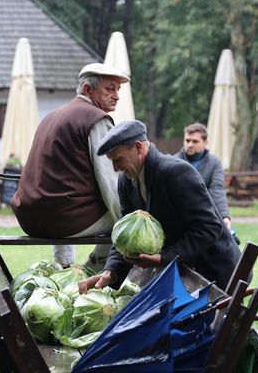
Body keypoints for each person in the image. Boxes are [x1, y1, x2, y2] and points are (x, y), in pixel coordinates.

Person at [79, 120, 242, 293]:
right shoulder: (125, 181)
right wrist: (111, 272)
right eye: (112, 161)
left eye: (118, 159)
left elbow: (210, 228)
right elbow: (125, 235)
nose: (115, 168)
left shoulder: (176, 172)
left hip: (215, 273)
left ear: (138, 147)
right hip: (182, 274)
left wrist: (164, 258)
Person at [11, 62, 130, 268]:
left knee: (71, 205)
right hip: (62, 220)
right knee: (126, 223)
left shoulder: (51, 116)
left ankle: (64, 267)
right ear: (87, 89)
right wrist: (128, 218)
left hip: (28, 218)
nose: (117, 95)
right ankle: (91, 272)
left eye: (118, 89)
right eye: (110, 88)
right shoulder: (97, 119)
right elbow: (110, 182)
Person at [175, 123, 238, 243]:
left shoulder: (214, 163)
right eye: (187, 140)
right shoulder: (173, 161)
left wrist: (224, 216)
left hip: (206, 217)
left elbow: (217, 190)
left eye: (195, 141)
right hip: (180, 219)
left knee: (232, 242)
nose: (189, 144)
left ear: (205, 143)